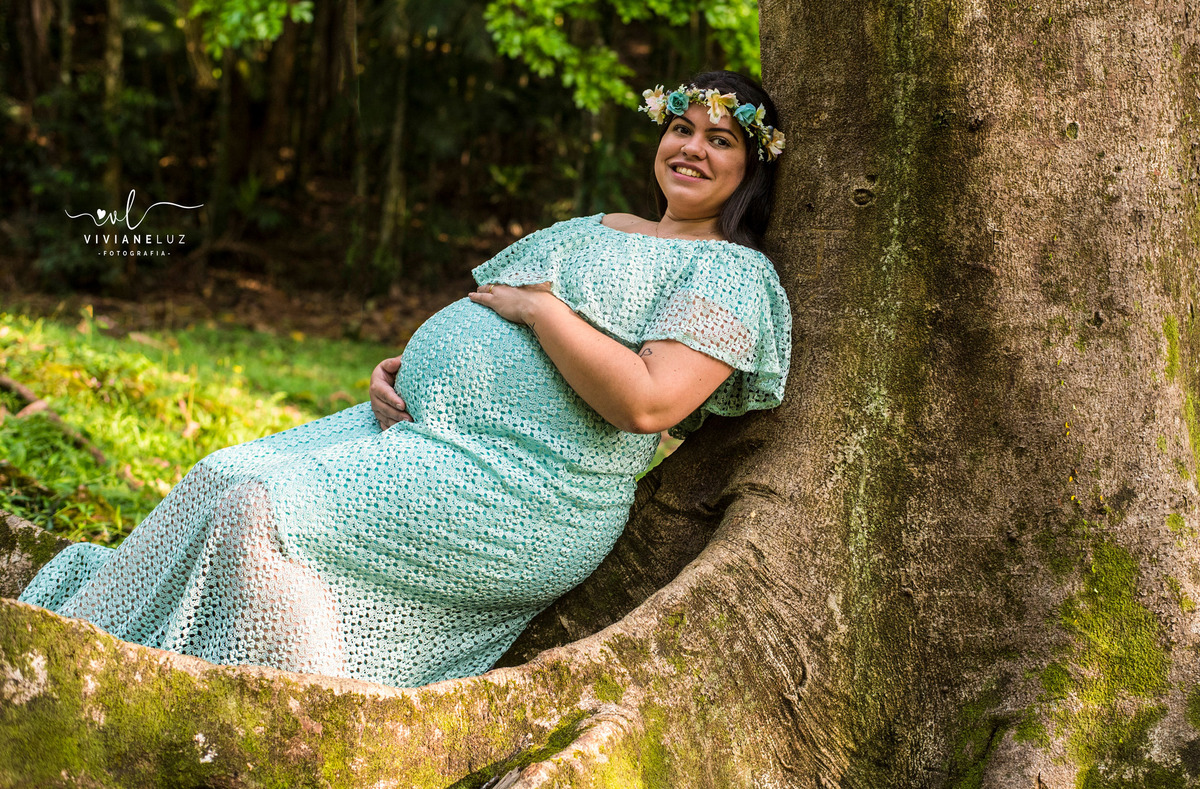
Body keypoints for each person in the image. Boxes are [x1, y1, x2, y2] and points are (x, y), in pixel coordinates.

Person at [18, 70, 792, 689]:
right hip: (412, 431)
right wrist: (407, 365)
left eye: (719, 140)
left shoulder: (730, 273)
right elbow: (482, 311)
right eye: (680, 128)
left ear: (751, 166)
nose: (691, 148)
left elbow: (649, 399)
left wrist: (541, 311)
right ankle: (77, 665)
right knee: (221, 475)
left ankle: (285, 718)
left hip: (524, 486)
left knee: (258, 508)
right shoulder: (595, 227)